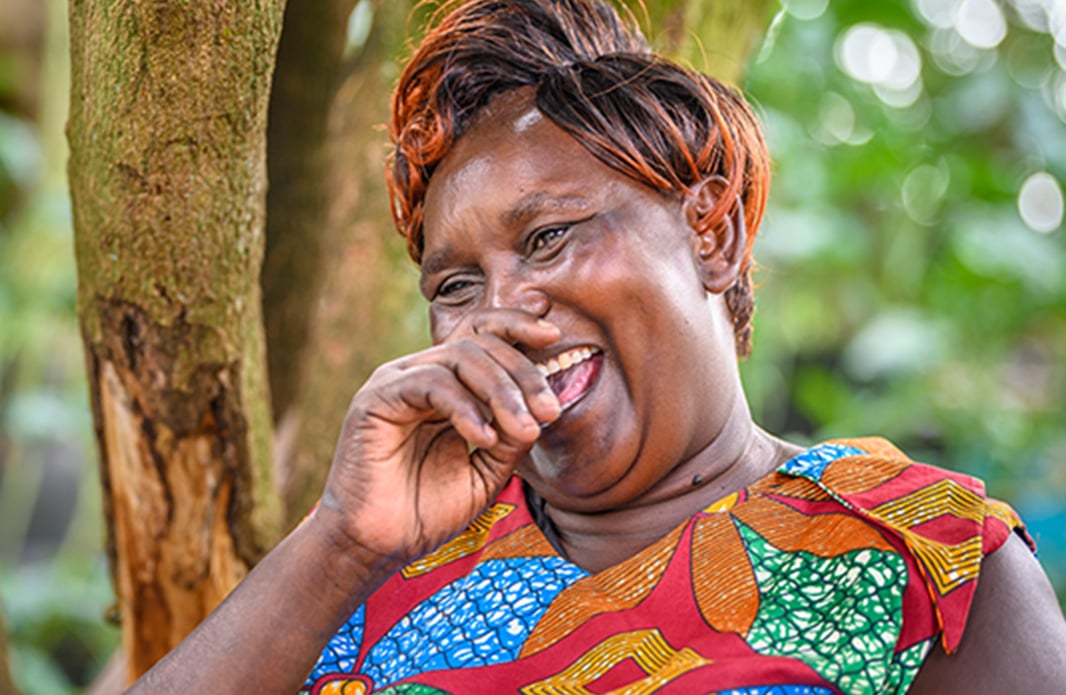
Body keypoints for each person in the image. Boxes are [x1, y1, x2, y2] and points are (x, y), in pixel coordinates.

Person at [127, 0, 1066, 693]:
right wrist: (339, 543)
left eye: (549, 237)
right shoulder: (369, 590)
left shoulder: (924, 565)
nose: (504, 312)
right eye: (456, 286)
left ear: (714, 232)